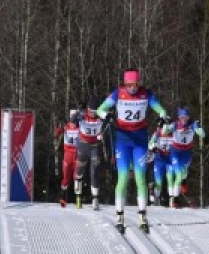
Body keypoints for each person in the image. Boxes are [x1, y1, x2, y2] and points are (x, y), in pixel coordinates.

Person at [96, 67, 169, 233]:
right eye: (129, 85)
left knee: (140, 178)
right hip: (122, 139)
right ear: (125, 83)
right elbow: (100, 109)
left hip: (140, 140)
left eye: (135, 84)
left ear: (139, 83)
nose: (132, 88)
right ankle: (119, 215)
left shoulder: (146, 93)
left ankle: (142, 215)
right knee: (122, 178)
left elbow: (160, 108)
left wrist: (162, 116)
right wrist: (106, 116)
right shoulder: (118, 93)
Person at [167, 107, 205, 208]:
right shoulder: (175, 124)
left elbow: (203, 134)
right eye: (182, 117)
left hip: (187, 153)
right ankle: (175, 199)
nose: (184, 119)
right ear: (179, 117)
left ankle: (183, 184)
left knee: (183, 174)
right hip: (175, 152)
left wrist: (199, 127)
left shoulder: (192, 125)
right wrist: (167, 124)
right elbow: (165, 131)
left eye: (186, 117)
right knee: (179, 174)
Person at [73, 105, 107, 210]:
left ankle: (95, 199)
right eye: (91, 111)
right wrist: (77, 113)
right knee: (79, 172)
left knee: (95, 171)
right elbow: (73, 120)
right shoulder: (83, 115)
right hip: (83, 145)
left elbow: (110, 118)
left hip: (95, 146)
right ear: (88, 109)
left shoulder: (100, 115)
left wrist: (109, 117)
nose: (93, 113)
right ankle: (78, 197)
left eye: (95, 111)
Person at [55, 109, 80, 207]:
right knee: (66, 178)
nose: (74, 122)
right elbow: (56, 134)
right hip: (68, 155)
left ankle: (78, 199)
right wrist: (59, 128)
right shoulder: (66, 127)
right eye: (72, 119)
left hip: (77, 155)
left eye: (75, 119)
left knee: (77, 178)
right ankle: (62, 197)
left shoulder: (80, 127)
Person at [147, 123, 174, 206]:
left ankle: (172, 199)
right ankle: (155, 199)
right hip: (159, 161)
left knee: (170, 180)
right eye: (158, 127)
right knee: (158, 182)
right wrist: (153, 147)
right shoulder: (157, 134)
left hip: (169, 161)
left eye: (160, 127)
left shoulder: (173, 134)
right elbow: (149, 145)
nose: (159, 129)